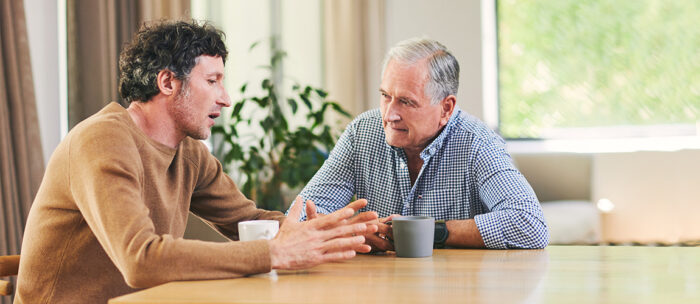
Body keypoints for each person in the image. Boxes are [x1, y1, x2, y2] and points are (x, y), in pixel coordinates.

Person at [15, 20, 377, 303]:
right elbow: (141, 260)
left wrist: (336, 233)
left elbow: (247, 222)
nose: (226, 98)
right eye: (213, 81)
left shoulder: (189, 154)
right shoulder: (103, 141)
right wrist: (272, 253)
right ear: (168, 82)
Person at [288, 38, 549, 251]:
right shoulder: (362, 132)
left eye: (406, 102)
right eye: (385, 96)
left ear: (446, 108)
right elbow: (298, 216)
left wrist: (430, 231)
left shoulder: (478, 142)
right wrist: (353, 231)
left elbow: (529, 224)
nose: (389, 115)